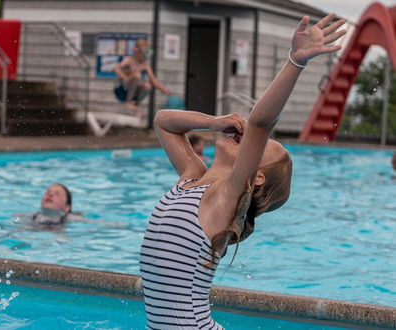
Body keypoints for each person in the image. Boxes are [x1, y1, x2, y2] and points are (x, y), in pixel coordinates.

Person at [139, 13, 346, 329]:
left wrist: (296, 60)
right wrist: (211, 122)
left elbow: (261, 123)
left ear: (255, 175)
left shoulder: (224, 198)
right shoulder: (192, 177)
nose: (246, 135)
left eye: (258, 146)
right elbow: (163, 122)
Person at [113, 39, 172, 116]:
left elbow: (154, 80)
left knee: (148, 86)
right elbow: (115, 68)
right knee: (137, 75)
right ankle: (128, 102)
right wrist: (123, 76)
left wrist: (164, 90)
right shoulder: (129, 60)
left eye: (148, 53)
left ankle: (135, 104)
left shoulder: (145, 65)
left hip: (131, 92)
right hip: (121, 90)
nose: (146, 56)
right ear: (137, 52)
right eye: (145, 53)